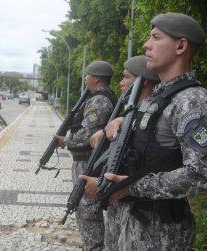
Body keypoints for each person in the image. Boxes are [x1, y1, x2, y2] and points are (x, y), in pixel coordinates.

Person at [84, 13, 207, 250]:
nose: (146, 44)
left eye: (156, 37)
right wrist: (121, 121)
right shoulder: (159, 96)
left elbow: (204, 175)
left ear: (181, 46)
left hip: (161, 234)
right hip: (132, 223)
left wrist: (130, 186)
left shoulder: (191, 101)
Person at [82, 55, 160, 250]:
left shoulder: (156, 114)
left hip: (142, 212)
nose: (121, 82)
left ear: (144, 81)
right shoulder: (134, 113)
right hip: (122, 205)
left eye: (126, 77)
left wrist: (106, 184)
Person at [54, 60, 117, 251]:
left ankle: (94, 246)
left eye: (88, 75)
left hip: (89, 162)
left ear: (97, 78)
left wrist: (65, 140)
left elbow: (87, 134)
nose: (85, 79)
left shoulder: (100, 100)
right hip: (84, 160)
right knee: (83, 206)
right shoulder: (95, 97)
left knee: (87, 208)